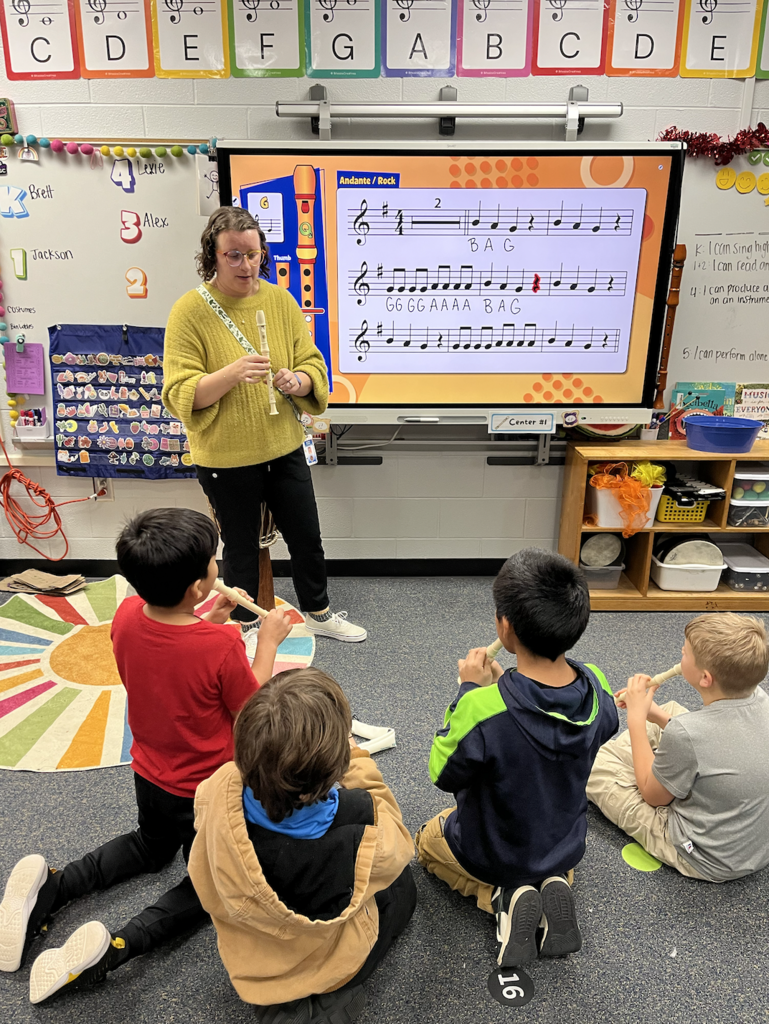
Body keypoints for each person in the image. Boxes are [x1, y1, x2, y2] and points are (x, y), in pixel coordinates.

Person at [0, 508, 291, 1003]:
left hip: (150, 772)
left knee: (148, 846)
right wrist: (266, 642)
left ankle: (55, 887)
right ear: (199, 586)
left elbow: (169, 654)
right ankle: (116, 948)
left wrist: (204, 619)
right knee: (210, 884)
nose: (217, 569)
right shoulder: (220, 646)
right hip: (206, 788)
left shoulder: (127, 615)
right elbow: (253, 705)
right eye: (213, 564)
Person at [162, 206, 366, 643]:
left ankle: (318, 611)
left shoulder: (280, 299)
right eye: (233, 255)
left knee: (307, 537)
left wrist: (300, 380)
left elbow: (311, 361)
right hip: (226, 456)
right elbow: (180, 393)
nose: (246, 265)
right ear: (212, 256)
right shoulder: (190, 311)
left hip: (284, 445)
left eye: (253, 254)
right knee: (239, 550)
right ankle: (246, 623)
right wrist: (232, 373)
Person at [416, 548, 618, 968]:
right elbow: (603, 722)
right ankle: (552, 880)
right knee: (551, 857)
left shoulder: (483, 708)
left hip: (493, 851)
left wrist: (470, 690)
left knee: (426, 842)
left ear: (505, 629)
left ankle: (502, 898)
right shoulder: (597, 685)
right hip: (563, 843)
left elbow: (441, 770)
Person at [189, 667, 416, 1024]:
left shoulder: (217, 789)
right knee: (403, 889)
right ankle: (329, 994)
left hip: (255, 952)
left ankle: (279, 992)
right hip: (325, 943)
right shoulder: (359, 821)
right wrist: (358, 763)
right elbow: (400, 843)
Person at [587, 612, 769, 883]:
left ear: (705, 678)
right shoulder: (761, 697)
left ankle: (620, 757)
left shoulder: (687, 733)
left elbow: (652, 796)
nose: (680, 655)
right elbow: (712, 741)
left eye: (685, 653)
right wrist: (657, 716)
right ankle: (640, 755)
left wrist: (636, 718)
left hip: (701, 855)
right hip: (752, 847)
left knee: (591, 764)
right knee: (670, 712)